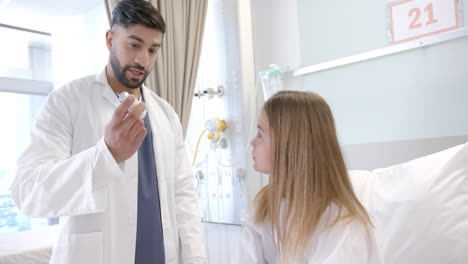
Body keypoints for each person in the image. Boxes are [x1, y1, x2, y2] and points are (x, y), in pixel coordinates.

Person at [10, 0, 206, 263]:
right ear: (110, 39)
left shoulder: (166, 114)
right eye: (134, 45)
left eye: (152, 50)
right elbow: (27, 192)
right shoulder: (68, 101)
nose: (142, 60)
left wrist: (196, 259)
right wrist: (107, 155)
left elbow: (183, 198)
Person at [238, 91, 383, 263]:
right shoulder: (265, 205)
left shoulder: (338, 222)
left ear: (288, 144)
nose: (252, 143)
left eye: (260, 135)